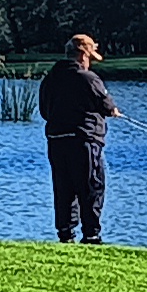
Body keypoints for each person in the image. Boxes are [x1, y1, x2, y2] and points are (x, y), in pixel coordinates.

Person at [38, 34, 118, 241]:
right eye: (89, 56)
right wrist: (113, 111)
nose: (89, 62)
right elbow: (106, 106)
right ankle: (91, 235)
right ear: (83, 54)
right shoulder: (88, 78)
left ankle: (65, 233)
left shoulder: (50, 79)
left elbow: (44, 111)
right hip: (84, 140)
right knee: (91, 186)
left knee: (64, 187)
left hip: (56, 140)